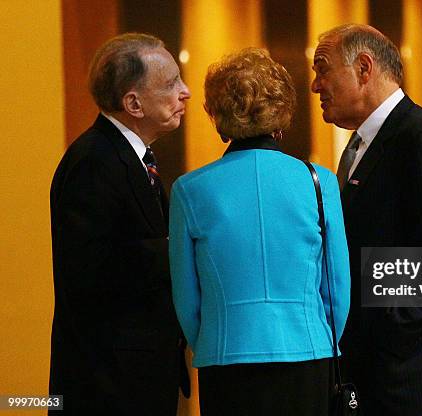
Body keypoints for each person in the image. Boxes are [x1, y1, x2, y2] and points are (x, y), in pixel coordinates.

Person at [169, 47, 350, 416]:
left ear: (217, 115)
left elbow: (187, 300)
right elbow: (337, 290)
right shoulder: (320, 182)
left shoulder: (190, 190)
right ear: (281, 109)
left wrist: (213, 337)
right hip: (308, 353)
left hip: (226, 356)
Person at [311, 24, 422, 415]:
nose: (316, 86)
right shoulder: (363, 145)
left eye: (322, 69)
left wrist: (386, 326)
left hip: (414, 378)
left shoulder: (420, 137)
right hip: (380, 375)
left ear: (364, 68)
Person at [49, 33, 191, 415]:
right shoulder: (95, 161)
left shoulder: (135, 156)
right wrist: (184, 247)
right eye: (171, 83)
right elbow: (90, 272)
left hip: (137, 376)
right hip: (108, 386)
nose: (186, 92)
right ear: (133, 103)